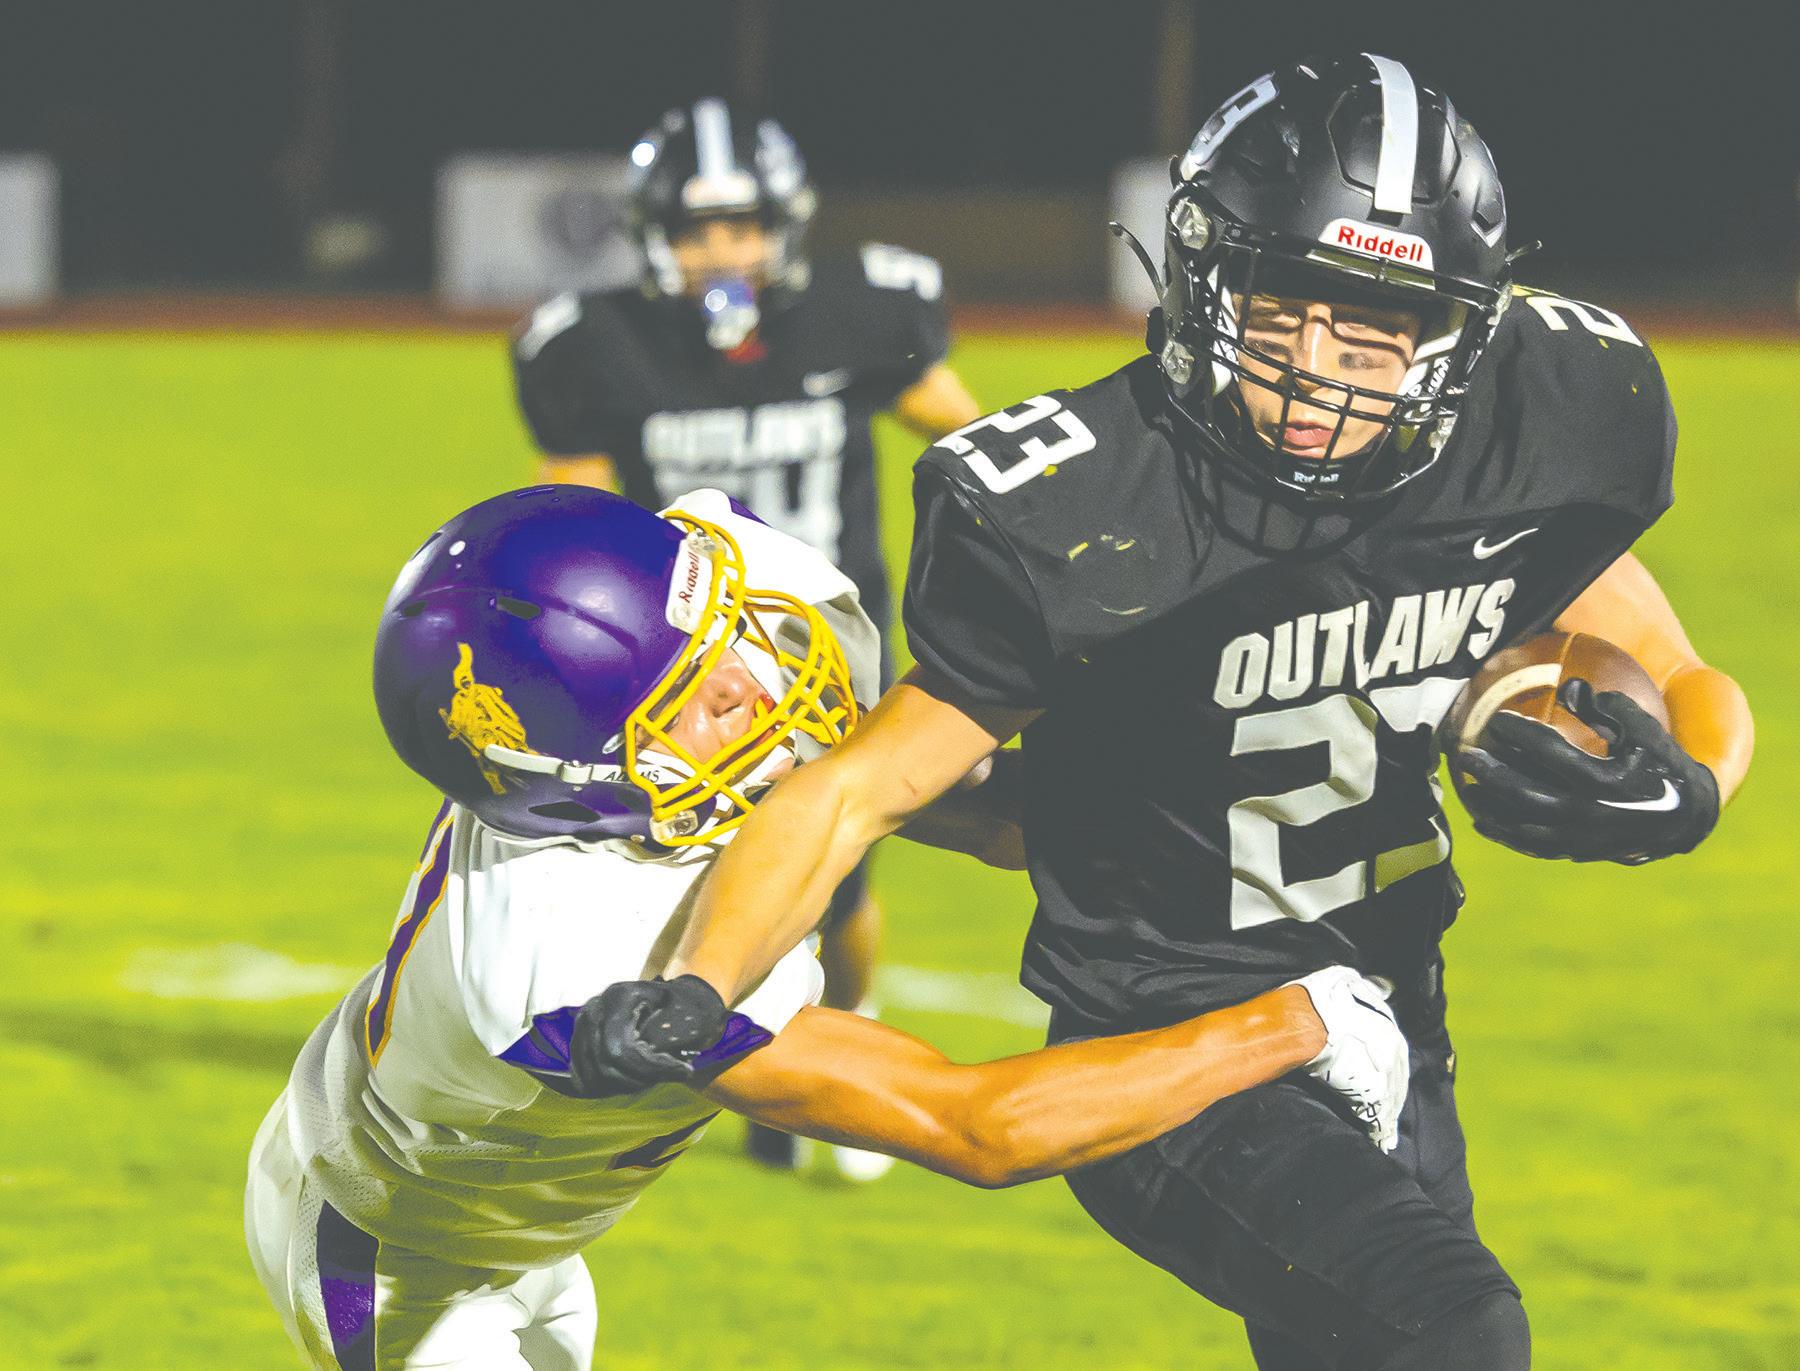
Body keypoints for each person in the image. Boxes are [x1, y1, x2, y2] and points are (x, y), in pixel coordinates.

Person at [575, 55, 1755, 1370]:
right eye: (1285, 305)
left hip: (1395, 1013)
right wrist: (698, 983)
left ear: (1462, 329)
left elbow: (1666, 656)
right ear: (1201, 278)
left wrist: (1698, 776)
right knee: (1454, 1328)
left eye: (1378, 324)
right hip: (1170, 1039)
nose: (1321, 368)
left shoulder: (1542, 412)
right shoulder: (1084, 502)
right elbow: (865, 785)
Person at [244, 484, 1408, 1371]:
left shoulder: (699, 645)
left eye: (716, 635)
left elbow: (951, 799)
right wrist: (1292, 1026)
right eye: (692, 699)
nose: (749, 683)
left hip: (498, 1196)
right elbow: (976, 1127)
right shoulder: (569, 952)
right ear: (588, 787)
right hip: (410, 1261)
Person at [511, 100, 982, 1175]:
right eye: (696, 230)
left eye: (743, 226)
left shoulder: (861, 312)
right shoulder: (597, 345)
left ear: (787, 226)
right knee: (689, 867)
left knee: (839, 875)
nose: (722, 252)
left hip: (829, 651)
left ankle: (845, 1031)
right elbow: (581, 520)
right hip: (684, 662)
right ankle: (744, 1059)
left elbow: (969, 433)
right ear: (651, 235)